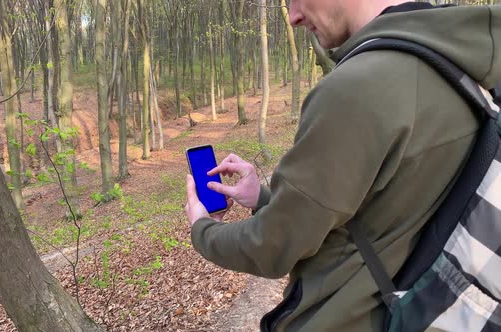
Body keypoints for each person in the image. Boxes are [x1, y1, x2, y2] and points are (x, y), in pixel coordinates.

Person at [185, 1, 501, 331]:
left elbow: (271, 245)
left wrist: (202, 229)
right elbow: (381, 208)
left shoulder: (356, 89)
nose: (292, 17)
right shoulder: (461, 57)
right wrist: (263, 198)